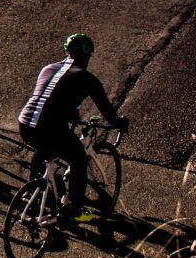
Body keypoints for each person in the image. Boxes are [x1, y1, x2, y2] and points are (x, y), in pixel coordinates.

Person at [17, 33, 129, 223]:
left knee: (44, 148)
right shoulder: (87, 79)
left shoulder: (48, 68)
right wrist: (120, 123)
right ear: (87, 55)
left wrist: (69, 113)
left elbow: (49, 97)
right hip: (49, 126)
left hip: (25, 123)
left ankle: (31, 190)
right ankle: (74, 210)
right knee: (77, 159)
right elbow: (108, 113)